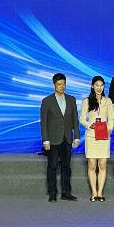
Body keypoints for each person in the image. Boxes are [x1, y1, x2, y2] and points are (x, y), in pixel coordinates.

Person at [40, 73, 81, 202]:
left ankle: (66, 193)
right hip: (53, 139)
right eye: (59, 84)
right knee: (52, 166)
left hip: (67, 138)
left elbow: (75, 120)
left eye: (63, 84)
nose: (62, 86)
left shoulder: (71, 99)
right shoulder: (47, 101)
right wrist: (45, 140)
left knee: (66, 167)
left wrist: (77, 136)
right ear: (54, 85)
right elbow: (43, 122)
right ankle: (52, 193)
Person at [80, 75, 113, 202]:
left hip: (104, 136)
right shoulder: (86, 101)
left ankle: (100, 193)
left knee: (103, 164)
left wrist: (109, 129)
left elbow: (111, 118)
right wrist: (90, 125)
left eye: (101, 85)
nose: (99, 88)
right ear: (92, 86)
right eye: (97, 85)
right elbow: (82, 119)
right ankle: (94, 192)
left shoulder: (108, 101)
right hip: (92, 135)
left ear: (104, 87)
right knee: (92, 165)